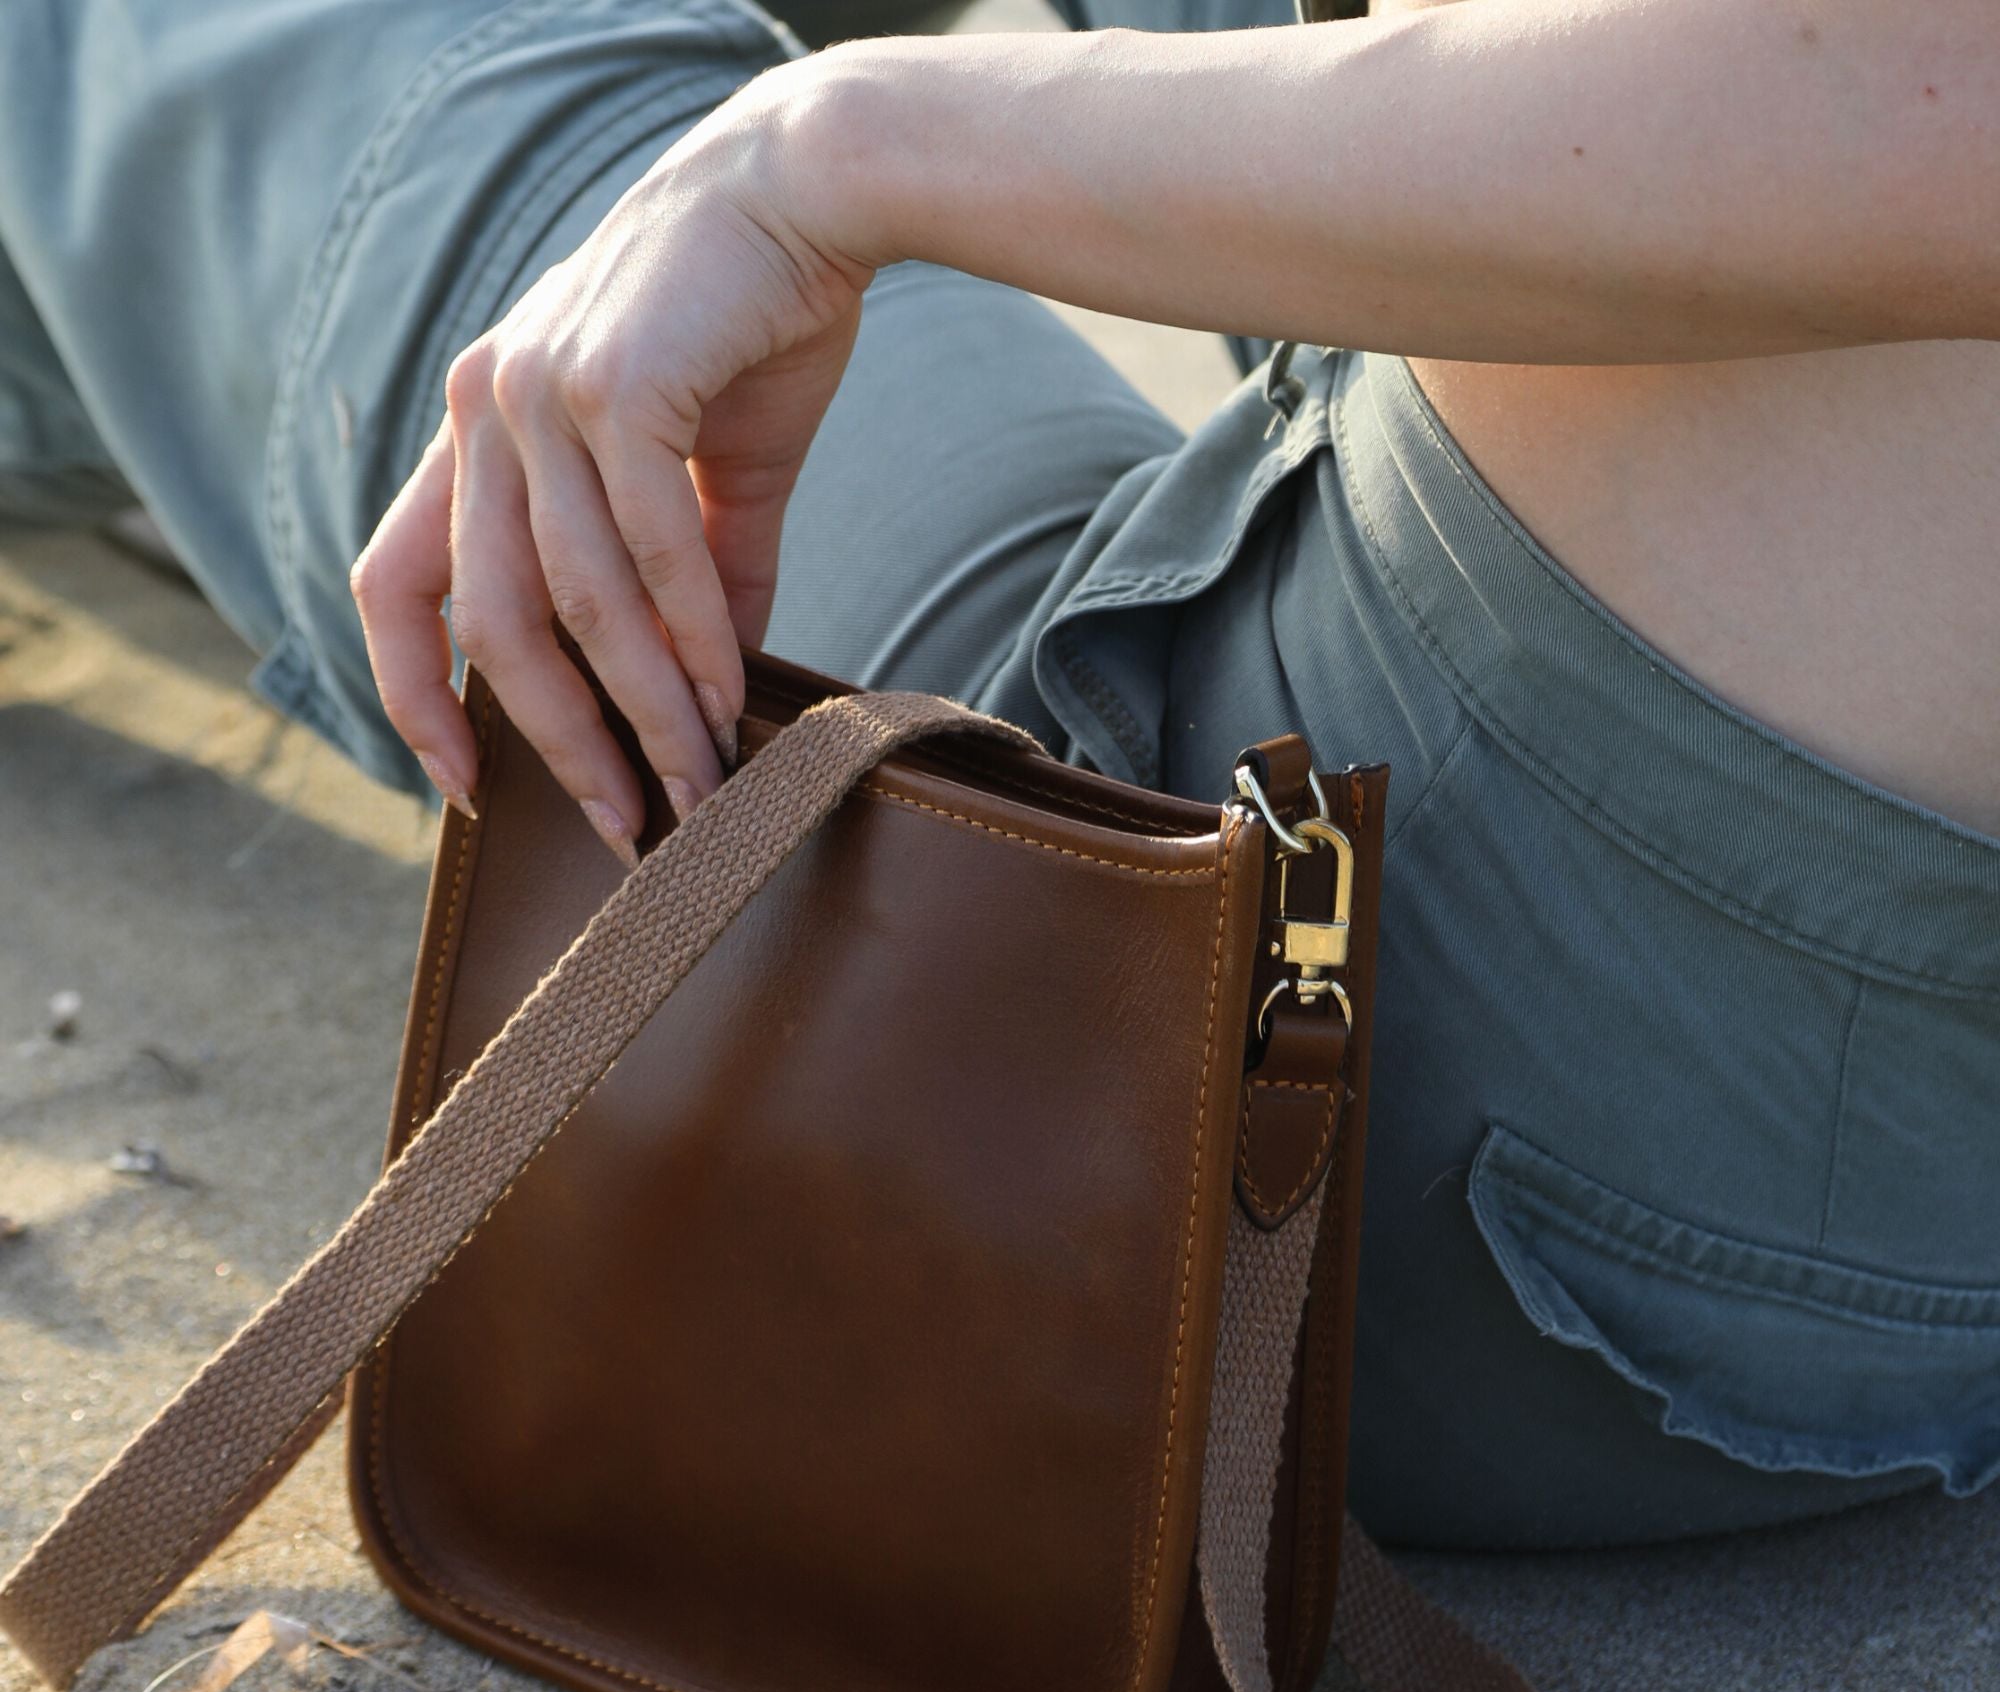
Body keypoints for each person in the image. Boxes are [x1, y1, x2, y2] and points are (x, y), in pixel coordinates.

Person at [3, 0, 1995, 1548]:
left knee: (253, 51)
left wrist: (824, 154)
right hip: (1750, 900)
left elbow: (1931, 96)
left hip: (1485, 1027)